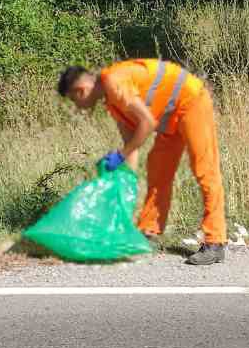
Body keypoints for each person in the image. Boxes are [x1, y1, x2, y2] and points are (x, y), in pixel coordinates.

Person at [58, 59, 227, 266]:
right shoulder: (111, 101)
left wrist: (120, 155)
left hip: (191, 101)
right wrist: (122, 183)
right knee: (157, 169)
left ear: (81, 91)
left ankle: (215, 242)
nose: (78, 107)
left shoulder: (114, 82)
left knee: (205, 170)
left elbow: (146, 123)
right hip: (171, 115)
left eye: (74, 101)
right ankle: (148, 232)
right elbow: (131, 145)